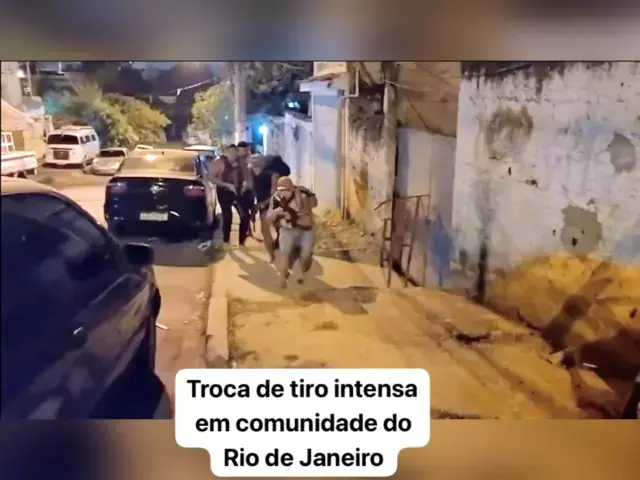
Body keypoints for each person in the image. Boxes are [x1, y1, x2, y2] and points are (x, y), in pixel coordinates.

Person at [264, 176, 318, 288]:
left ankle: (300, 269)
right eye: (281, 190)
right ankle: (283, 277)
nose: (283, 193)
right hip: (287, 229)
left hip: (305, 229)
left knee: (306, 253)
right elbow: (268, 219)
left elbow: (312, 205)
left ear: (292, 188)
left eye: (286, 190)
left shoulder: (302, 195)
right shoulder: (276, 199)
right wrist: (277, 212)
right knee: (284, 253)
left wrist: (306, 199)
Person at [209, 144, 253, 250]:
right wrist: (226, 185)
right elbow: (211, 177)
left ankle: (241, 241)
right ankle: (226, 240)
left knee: (245, 216)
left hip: (238, 191)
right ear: (226, 153)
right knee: (227, 216)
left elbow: (247, 175)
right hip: (224, 191)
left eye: (235, 152)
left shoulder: (241, 162)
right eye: (231, 152)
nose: (233, 155)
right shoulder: (218, 162)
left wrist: (246, 184)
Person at [248, 154, 279, 258]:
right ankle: (272, 255)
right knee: (265, 230)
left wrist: (260, 205)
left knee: (269, 229)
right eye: (253, 159)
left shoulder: (272, 175)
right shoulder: (250, 173)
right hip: (261, 204)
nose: (254, 161)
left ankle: (275, 253)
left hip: (273, 204)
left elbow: (274, 194)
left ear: (263, 162)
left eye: (257, 159)